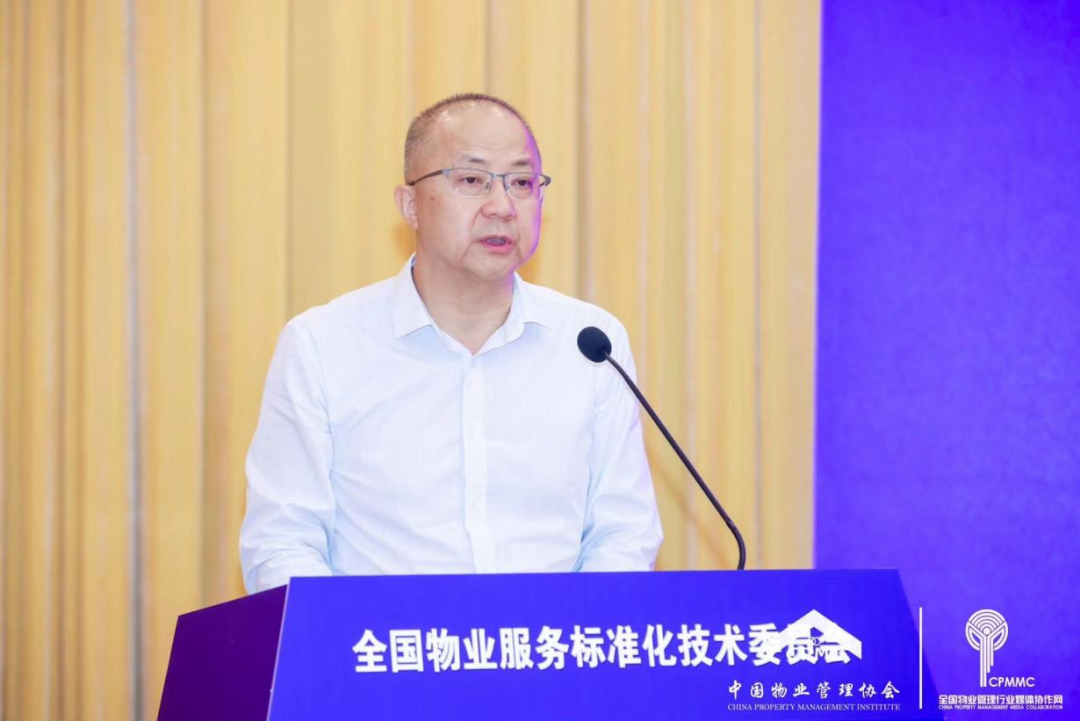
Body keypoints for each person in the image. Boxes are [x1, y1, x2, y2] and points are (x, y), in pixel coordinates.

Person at [240, 93, 662, 593]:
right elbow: (282, 542)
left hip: (550, 641)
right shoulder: (322, 346)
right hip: (383, 641)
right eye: (471, 180)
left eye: (522, 183)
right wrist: (350, 639)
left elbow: (623, 532)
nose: (502, 207)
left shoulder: (590, 342)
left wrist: (568, 634)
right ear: (410, 205)